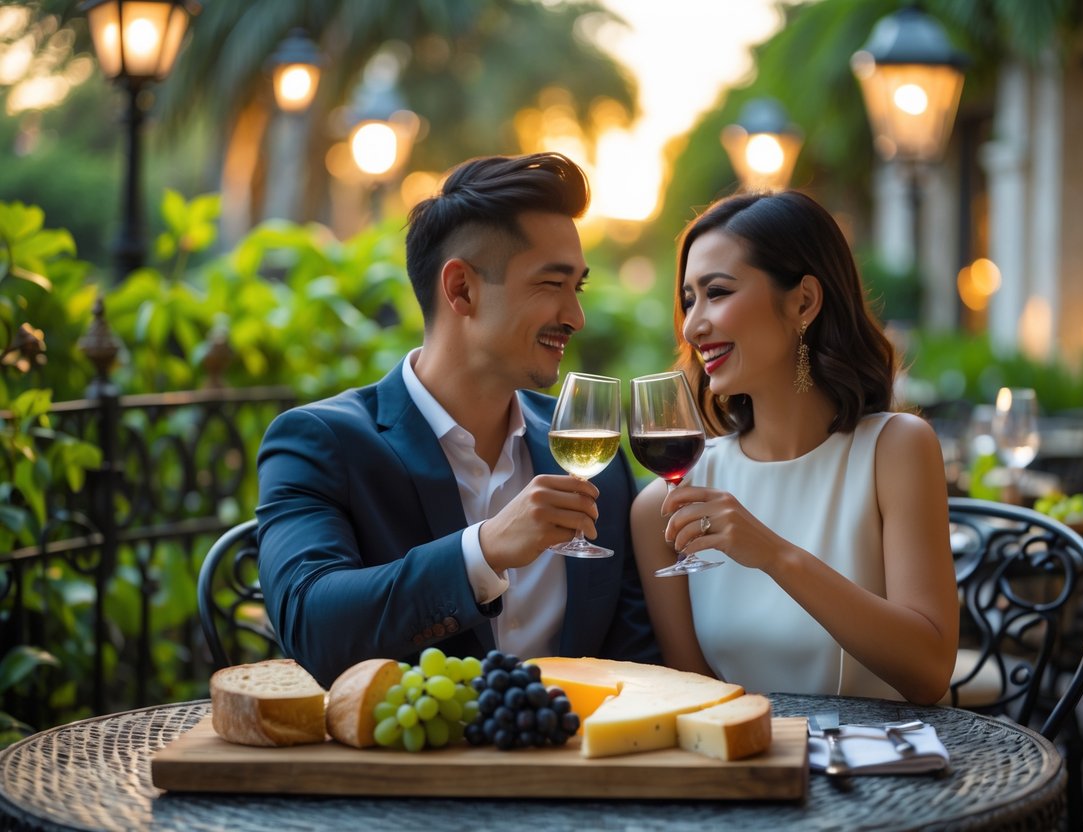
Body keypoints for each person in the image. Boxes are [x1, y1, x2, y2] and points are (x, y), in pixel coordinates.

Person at [257, 152, 659, 686]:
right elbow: (312, 625)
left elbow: (636, 662)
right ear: (461, 289)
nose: (576, 317)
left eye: (577, 288)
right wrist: (484, 551)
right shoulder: (319, 442)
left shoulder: (592, 458)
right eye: (551, 284)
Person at [631, 190, 957, 705]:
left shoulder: (896, 450)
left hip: (886, 756)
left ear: (803, 301)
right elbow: (696, 702)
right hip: (748, 754)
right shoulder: (666, 507)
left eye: (717, 292)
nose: (692, 325)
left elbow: (929, 672)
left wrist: (773, 554)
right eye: (689, 300)